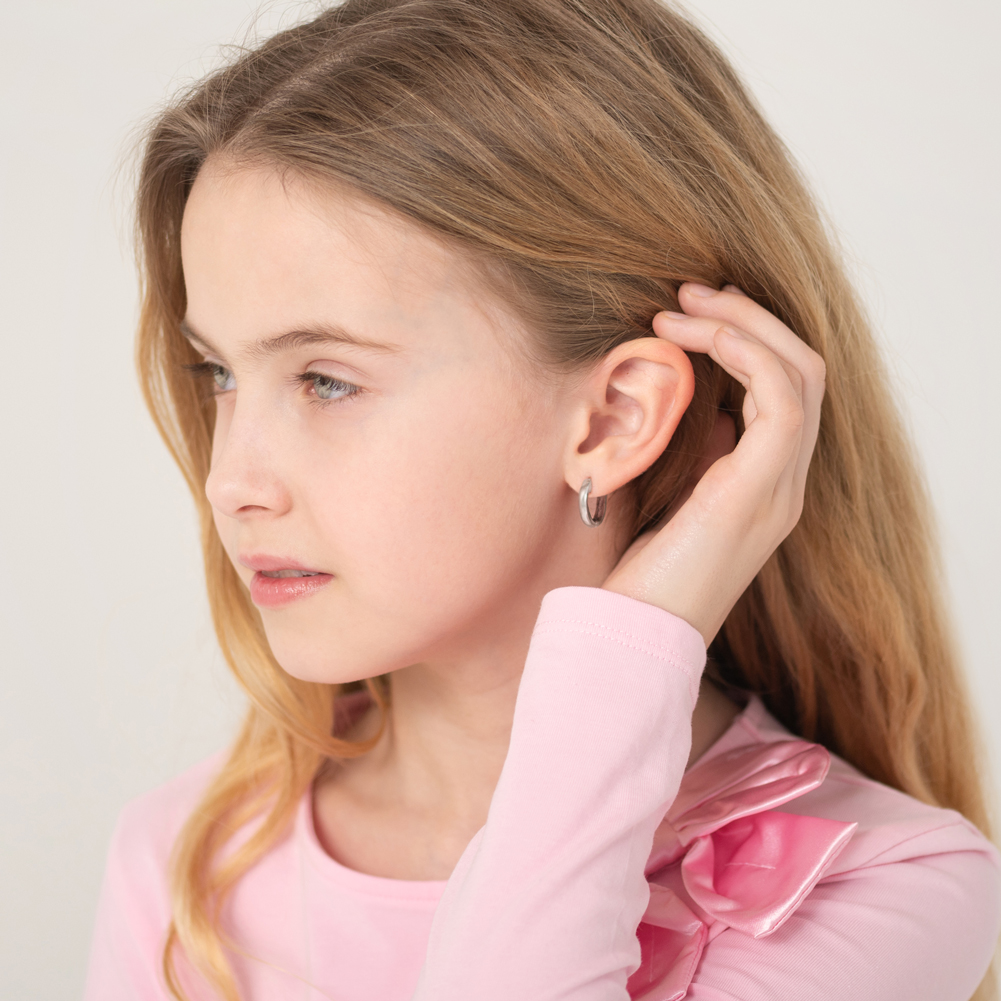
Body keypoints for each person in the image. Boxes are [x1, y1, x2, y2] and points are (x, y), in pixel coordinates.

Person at [83, 0, 1000, 998]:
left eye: (326, 380)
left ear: (612, 419)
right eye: (218, 372)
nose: (229, 482)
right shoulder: (187, 869)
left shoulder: (874, 883)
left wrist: (636, 635)